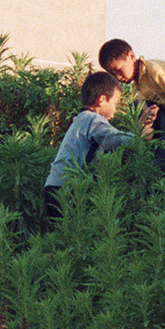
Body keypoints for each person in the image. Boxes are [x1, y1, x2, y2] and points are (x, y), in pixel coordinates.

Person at [43, 70, 139, 224]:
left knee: (62, 236)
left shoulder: (82, 119)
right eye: (115, 104)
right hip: (66, 189)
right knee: (74, 232)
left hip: (54, 186)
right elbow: (113, 139)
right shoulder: (92, 119)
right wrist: (141, 138)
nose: (115, 112)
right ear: (101, 100)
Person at [98, 38, 165, 140]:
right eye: (113, 74)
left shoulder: (154, 71)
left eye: (119, 70)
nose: (117, 77)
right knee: (137, 106)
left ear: (131, 56)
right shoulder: (138, 83)